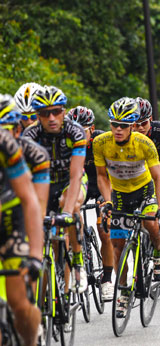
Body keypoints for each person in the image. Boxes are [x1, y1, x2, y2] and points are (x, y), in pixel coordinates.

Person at [93, 97, 160, 316]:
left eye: (123, 126)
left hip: (144, 192)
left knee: (150, 222)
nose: (118, 129)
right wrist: (107, 201)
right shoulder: (101, 143)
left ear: (133, 126)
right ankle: (124, 291)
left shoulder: (145, 143)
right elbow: (101, 176)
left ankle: (157, 252)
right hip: (119, 195)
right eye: (114, 124)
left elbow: (158, 177)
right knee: (117, 244)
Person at [23, 85, 88, 293]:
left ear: (64, 112)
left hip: (71, 181)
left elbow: (76, 174)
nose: (51, 117)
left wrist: (67, 212)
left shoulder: (75, 132)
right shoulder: (30, 135)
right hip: (43, 184)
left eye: (56, 111)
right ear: (37, 116)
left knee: (69, 205)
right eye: (44, 113)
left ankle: (78, 262)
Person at [0, 127, 43, 346]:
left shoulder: (4, 142)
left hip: (9, 220)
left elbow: (29, 199)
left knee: (20, 306)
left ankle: (30, 341)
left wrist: (35, 255)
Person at [67, 106, 115, 300]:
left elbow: (112, 172)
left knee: (104, 230)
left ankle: (107, 280)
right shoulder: (67, 143)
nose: (78, 133)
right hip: (81, 185)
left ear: (92, 128)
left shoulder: (102, 141)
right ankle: (76, 262)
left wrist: (107, 198)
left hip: (103, 183)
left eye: (83, 129)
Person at [133, 98, 160, 179]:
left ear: (151, 119)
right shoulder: (127, 134)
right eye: (136, 125)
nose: (141, 128)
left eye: (144, 123)